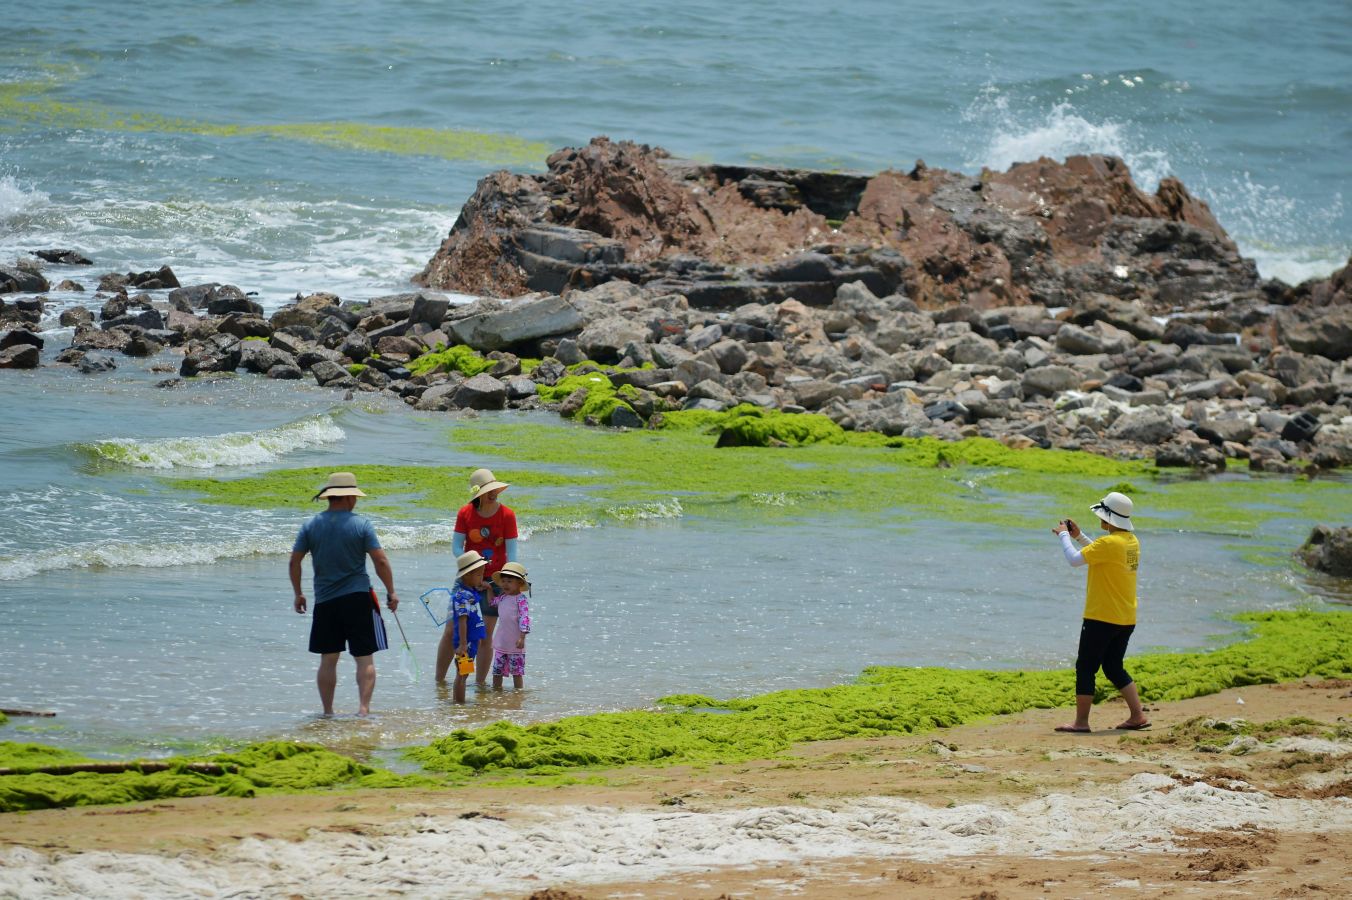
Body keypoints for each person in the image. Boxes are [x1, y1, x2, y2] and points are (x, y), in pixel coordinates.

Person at [288, 472, 399, 717]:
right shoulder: (361, 525)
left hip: (326, 601)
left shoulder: (311, 525)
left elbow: (294, 563)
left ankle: (328, 712)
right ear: (348, 497)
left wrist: (299, 593)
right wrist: (391, 591)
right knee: (364, 659)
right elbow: (380, 561)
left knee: (328, 660)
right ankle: (363, 710)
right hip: (358, 598)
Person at [1051, 490, 1150, 733]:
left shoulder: (1109, 543)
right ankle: (1137, 715)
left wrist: (1064, 536)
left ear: (1108, 519)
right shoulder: (1130, 542)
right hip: (1126, 617)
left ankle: (1081, 722)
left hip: (1101, 616)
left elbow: (1075, 560)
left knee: (1086, 666)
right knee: (1113, 666)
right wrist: (1079, 536)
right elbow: (1099, 552)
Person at [452, 468, 518, 686]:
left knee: (483, 636)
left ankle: (478, 684)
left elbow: (513, 554)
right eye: (488, 490)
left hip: (495, 581)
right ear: (478, 494)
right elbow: (456, 547)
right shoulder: (465, 513)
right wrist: (472, 573)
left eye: (495, 489)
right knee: (457, 633)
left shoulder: (507, 515)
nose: (494, 493)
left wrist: (508, 582)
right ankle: (449, 680)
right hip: (468, 579)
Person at [437, 550, 490, 703]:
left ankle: (459, 703)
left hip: (470, 642)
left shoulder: (469, 591)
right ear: (467, 575)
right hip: (465, 643)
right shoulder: (462, 596)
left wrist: (482, 586)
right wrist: (462, 643)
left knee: (464, 673)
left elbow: (476, 588)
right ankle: (459, 705)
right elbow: (462, 620)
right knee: (462, 674)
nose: (482, 577)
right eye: (479, 575)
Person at [489, 562, 532, 690]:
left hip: (515, 643)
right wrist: (489, 589)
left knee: (517, 673)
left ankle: (518, 696)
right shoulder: (502, 597)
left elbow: (524, 618)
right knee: (497, 671)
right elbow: (492, 602)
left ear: (519, 583)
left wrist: (522, 637)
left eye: (509, 581)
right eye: (503, 581)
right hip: (502, 643)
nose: (505, 584)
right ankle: (497, 694)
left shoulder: (521, 599)